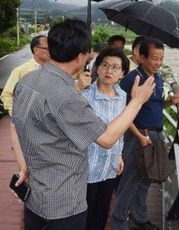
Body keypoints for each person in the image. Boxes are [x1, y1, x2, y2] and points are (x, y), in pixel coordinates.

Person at [10, 19, 155, 230]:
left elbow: (15, 126)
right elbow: (106, 139)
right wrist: (137, 101)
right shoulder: (67, 96)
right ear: (80, 57)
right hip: (63, 205)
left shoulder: (27, 81)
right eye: (89, 54)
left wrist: (23, 167)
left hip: (34, 200)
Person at [112, 37, 179, 230]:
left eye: (161, 58)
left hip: (155, 135)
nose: (158, 63)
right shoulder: (132, 79)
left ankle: (140, 218)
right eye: (154, 58)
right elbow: (122, 113)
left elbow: (154, 105)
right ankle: (119, 222)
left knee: (146, 180)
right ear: (142, 57)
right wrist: (138, 136)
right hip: (138, 136)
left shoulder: (158, 78)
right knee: (129, 181)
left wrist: (172, 100)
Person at [81, 48, 129, 230]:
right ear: (97, 68)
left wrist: (120, 155)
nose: (109, 71)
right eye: (105, 66)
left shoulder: (122, 96)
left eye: (116, 68)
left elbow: (121, 130)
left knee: (101, 212)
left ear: (122, 73)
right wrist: (76, 86)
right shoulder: (84, 95)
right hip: (87, 166)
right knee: (84, 214)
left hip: (109, 165)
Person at [0, 35, 50, 116]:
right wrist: (17, 115)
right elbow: (6, 95)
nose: (51, 51)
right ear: (36, 50)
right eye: (47, 48)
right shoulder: (20, 71)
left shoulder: (56, 69)